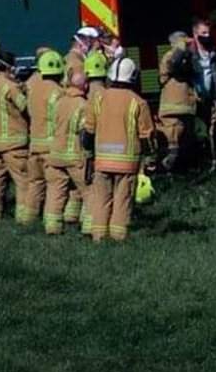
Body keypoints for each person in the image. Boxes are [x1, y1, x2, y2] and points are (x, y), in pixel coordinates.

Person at [84, 57, 156, 242]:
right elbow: (146, 136)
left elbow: (88, 133)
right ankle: (118, 237)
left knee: (101, 199)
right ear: (133, 77)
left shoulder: (98, 99)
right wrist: (150, 158)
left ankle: (98, 237)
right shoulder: (138, 102)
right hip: (127, 162)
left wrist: (89, 154)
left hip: (101, 160)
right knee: (122, 201)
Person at [0, 50, 31, 223]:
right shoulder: (9, 86)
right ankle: (24, 218)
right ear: (8, 68)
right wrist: (26, 90)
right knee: (23, 181)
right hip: (13, 143)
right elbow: (25, 106)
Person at [44, 69, 90, 236]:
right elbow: (85, 134)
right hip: (74, 157)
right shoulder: (84, 105)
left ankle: (52, 228)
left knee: (55, 192)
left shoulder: (58, 102)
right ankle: (89, 228)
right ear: (84, 86)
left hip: (55, 155)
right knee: (90, 192)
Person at [25, 50, 65, 228]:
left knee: (35, 184)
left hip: (34, 146)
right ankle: (52, 224)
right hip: (51, 148)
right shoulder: (59, 92)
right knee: (55, 186)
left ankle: (28, 220)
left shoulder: (32, 89)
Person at [157, 31, 198, 172]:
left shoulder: (188, 57)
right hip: (173, 109)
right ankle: (166, 169)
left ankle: (183, 170)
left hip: (185, 107)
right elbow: (174, 63)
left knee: (185, 141)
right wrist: (181, 47)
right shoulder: (171, 56)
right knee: (172, 141)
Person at [191, 18, 216, 170]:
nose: (207, 35)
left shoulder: (215, 52)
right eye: (203, 33)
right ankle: (201, 164)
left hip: (213, 98)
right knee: (199, 134)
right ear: (195, 33)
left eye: (209, 32)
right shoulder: (189, 53)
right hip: (195, 99)